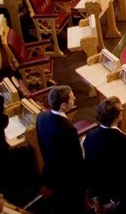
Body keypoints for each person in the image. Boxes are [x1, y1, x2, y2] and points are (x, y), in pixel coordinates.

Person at [84, 97, 126, 214]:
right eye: (122, 110)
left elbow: (89, 167)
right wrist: (115, 200)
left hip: (100, 194)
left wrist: (94, 194)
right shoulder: (124, 141)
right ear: (118, 116)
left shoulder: (90, 135)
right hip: (120, 199)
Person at [35, 85, 86, 214]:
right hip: (68, 179)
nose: (74, 98)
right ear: (63, 105)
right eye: (72, 98)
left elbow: (42, 144)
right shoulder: (67, 129)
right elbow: (76, 159)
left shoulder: (41, 117)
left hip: (50, 171)